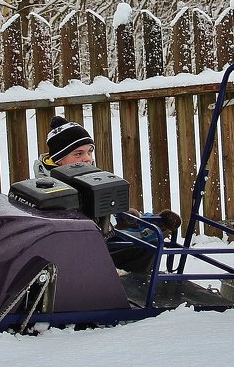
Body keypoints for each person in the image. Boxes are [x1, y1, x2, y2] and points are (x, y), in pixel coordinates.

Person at [35, 116, 181, 272]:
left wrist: (154, 222)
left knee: (147, 245)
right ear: (58, 160)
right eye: (78, 154)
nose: (88, 159)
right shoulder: (47, 192)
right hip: (75, 261)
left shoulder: (90, 184)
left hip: (99, 248)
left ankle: (139, 286)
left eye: (90, 152)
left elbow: (112, 221)